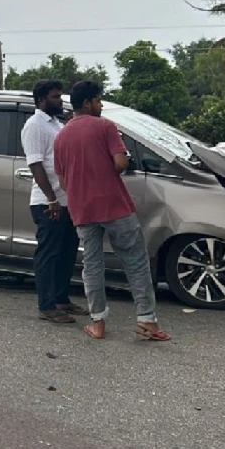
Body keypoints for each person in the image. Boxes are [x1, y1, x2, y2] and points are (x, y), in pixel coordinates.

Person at [53, 80, 171, 342]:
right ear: (87, 103)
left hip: (82, 209)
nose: (101, 105)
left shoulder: (60, 137)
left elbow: (62, 181)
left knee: (92, 266)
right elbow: (120, 163)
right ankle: (146, 321)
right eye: (98, 100)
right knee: (136, 262)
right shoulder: (105, 126)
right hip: (113, 205)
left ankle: (98, 323)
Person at [20, 79, 86, 323]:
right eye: (56, 97)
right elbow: (36, 164)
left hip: (67, 199)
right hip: (48, 202)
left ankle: (61, 298)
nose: (60, 100)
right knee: (48, 254)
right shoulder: (35, 125)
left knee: (67, 252)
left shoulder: (56, 124)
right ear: (41, 100)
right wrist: (51, 199)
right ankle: (46, 305)